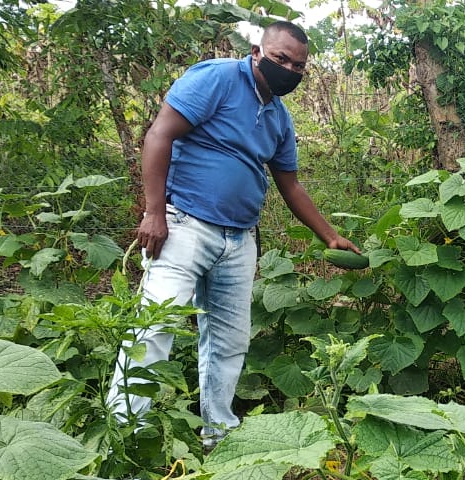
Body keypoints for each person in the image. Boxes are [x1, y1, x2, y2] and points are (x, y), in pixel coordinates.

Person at [106, 21, 359, 448]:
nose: (289, 69)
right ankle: (126, 441)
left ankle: (219, 437)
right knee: (153, 330)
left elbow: (290, 184)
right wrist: (153, 212)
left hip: (239, 239)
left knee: (229, 342)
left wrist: (329, 236)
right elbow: (159, 135)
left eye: (298, 66)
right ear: (258, 52)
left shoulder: (278, 117)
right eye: (280, 58)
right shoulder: (218, 78)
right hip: (184, 224)